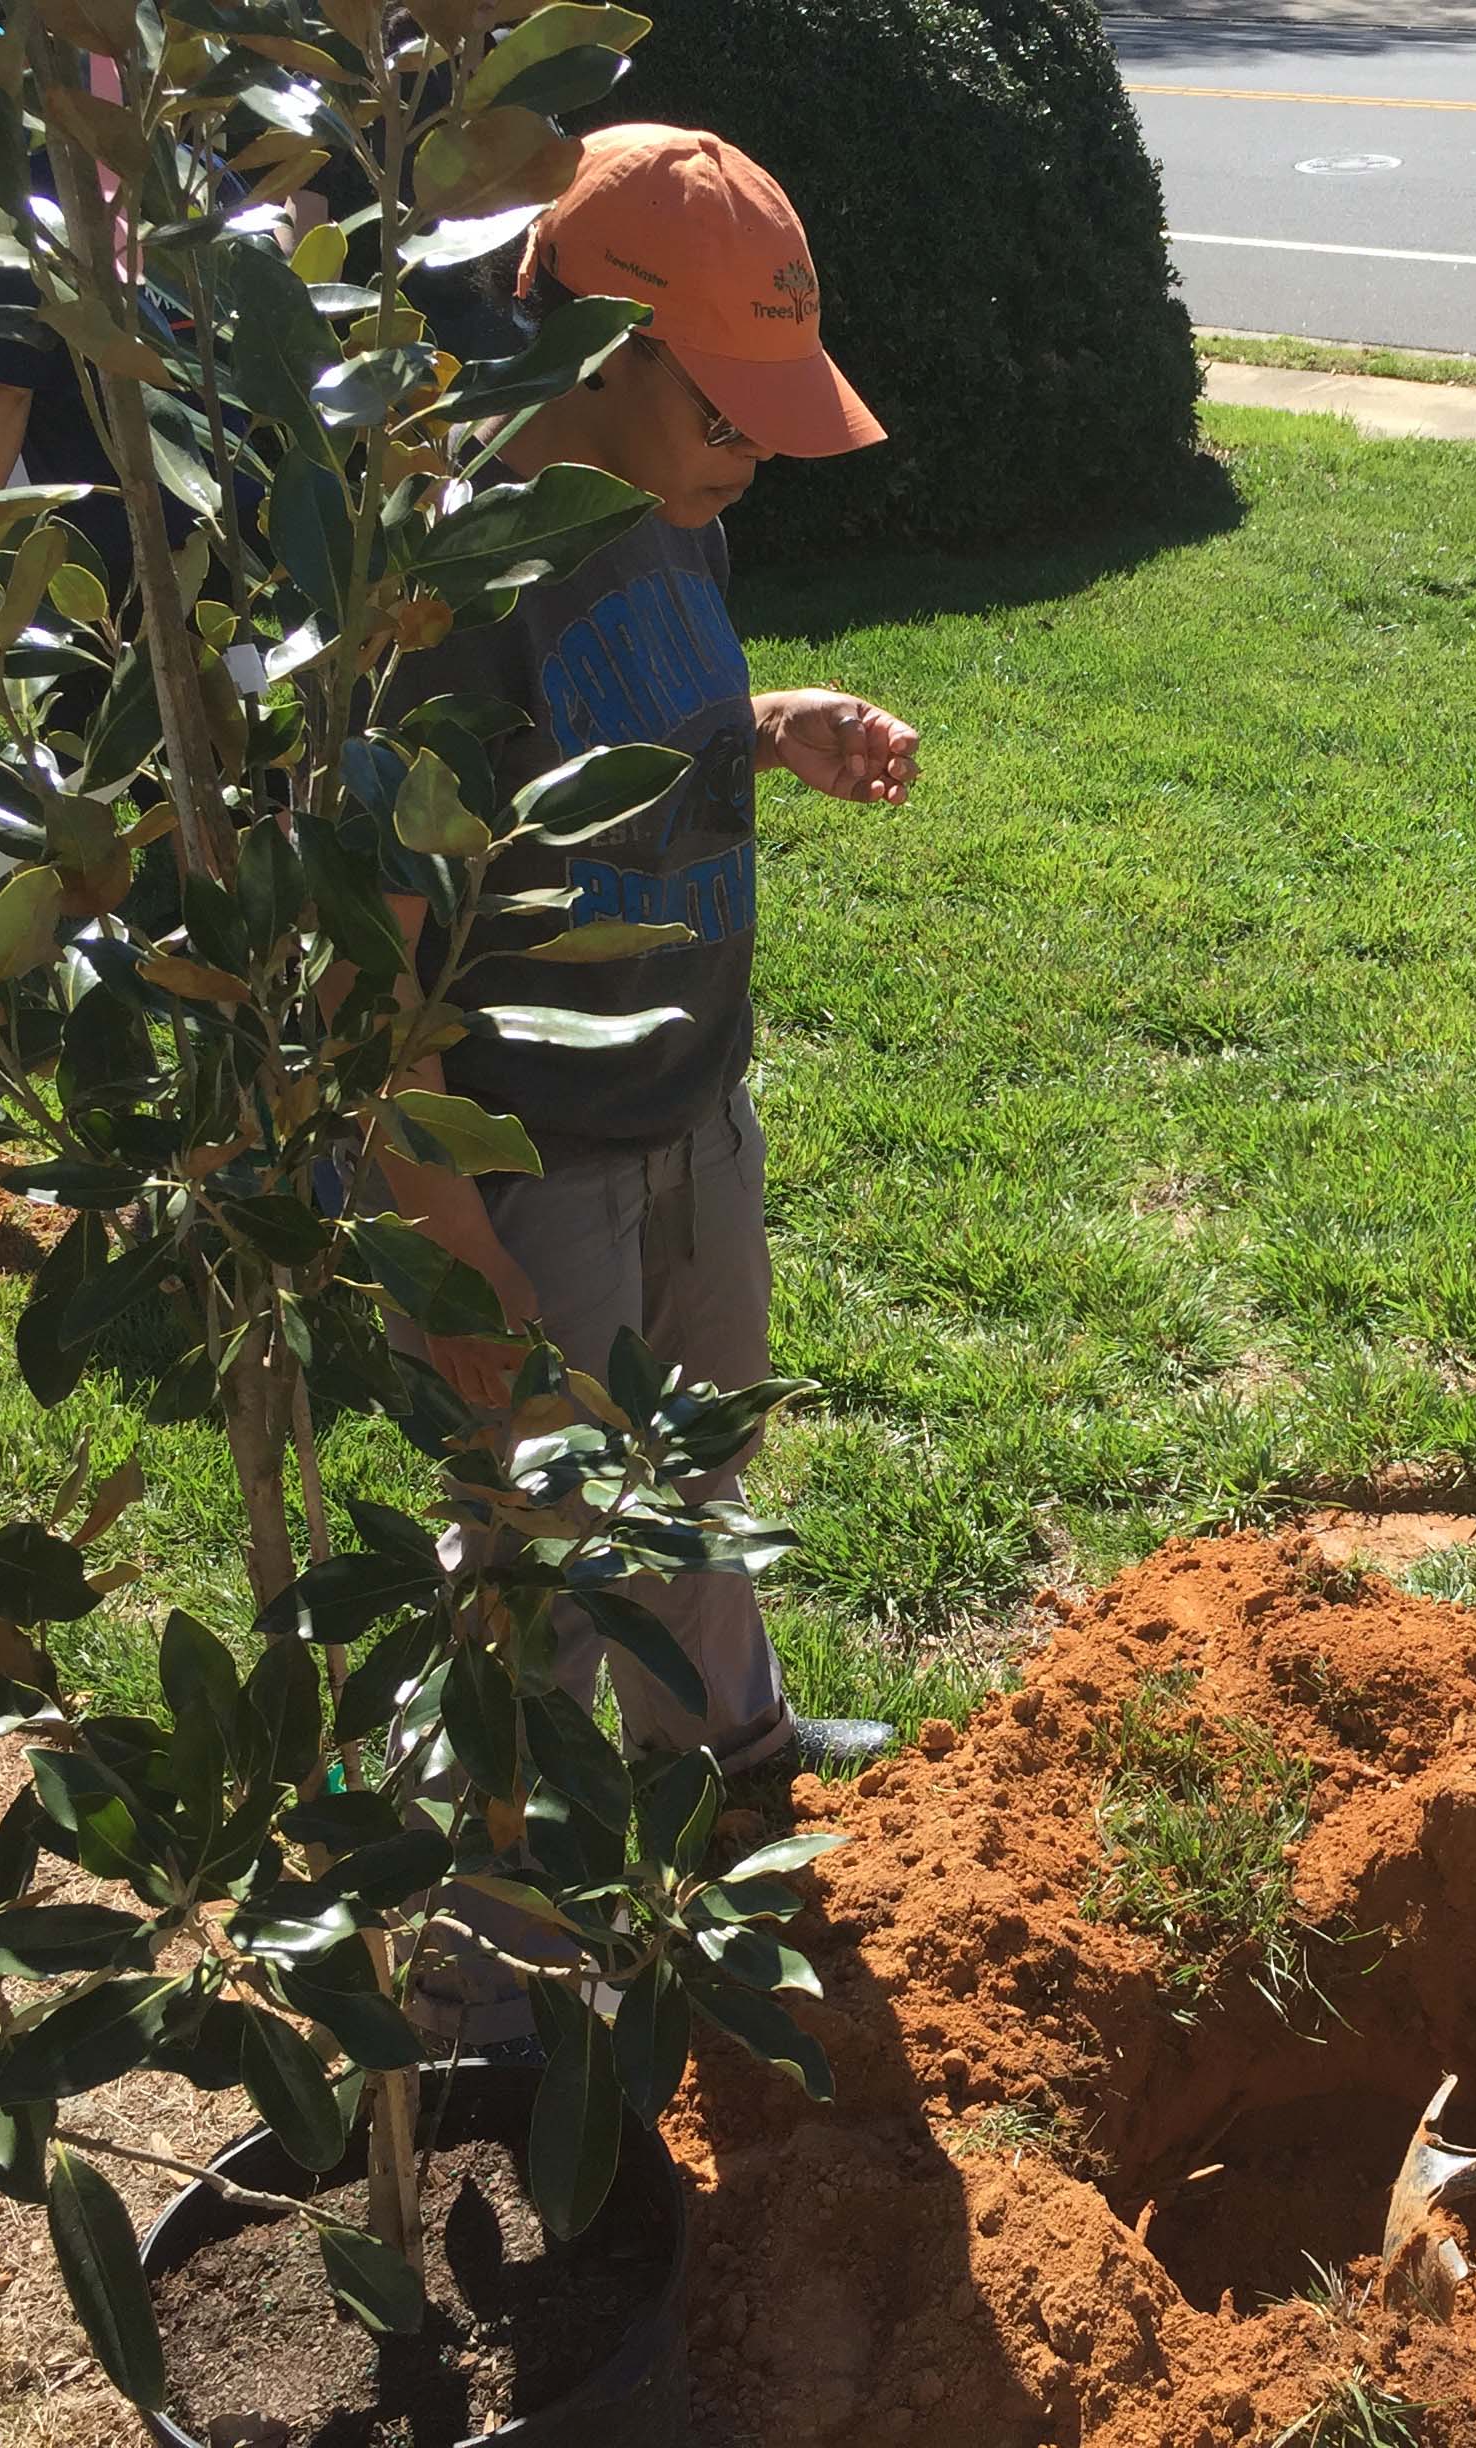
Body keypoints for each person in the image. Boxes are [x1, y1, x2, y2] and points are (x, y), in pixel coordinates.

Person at [379, 124, 916, 1805]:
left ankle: (720, 1747)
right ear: (602, 353)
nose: (753, 456)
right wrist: (460, 1267)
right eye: (722, 410)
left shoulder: (668, 498)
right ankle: (474, 1930)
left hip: (684, 1095)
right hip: (530, 1153)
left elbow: (619, 739)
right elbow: (369, 990)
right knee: (543, 1521)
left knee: (685, 1466)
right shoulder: (446, 587)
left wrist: (761, 731)